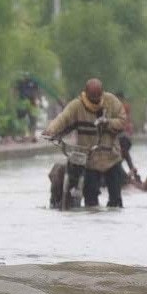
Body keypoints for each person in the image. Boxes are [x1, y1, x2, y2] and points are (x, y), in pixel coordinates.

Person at [42, 78, 127, 207]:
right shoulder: (77, 105)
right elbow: (63, 118)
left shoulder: (112, 102)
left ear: (102, 94)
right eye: (92, 99)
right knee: (91, 199)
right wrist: (50, 130)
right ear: (86, 94)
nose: (95, 102)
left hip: (111, 157)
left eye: (98, 98)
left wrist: (108, 123)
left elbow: (123, 121)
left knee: (116, 199)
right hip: (90, 159)